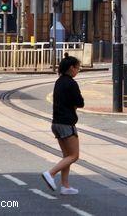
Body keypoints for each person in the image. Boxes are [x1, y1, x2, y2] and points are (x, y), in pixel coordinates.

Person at [42, 56, 84, 195]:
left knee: (67, 156)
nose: (78, 70)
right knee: (74, 156)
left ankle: (65, 186)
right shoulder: (71, 83)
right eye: (77, 67)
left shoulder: (59, 81)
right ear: (71, 68)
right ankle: (51, 173)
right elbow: (80, 102)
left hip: (56, 123)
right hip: (67, 123)